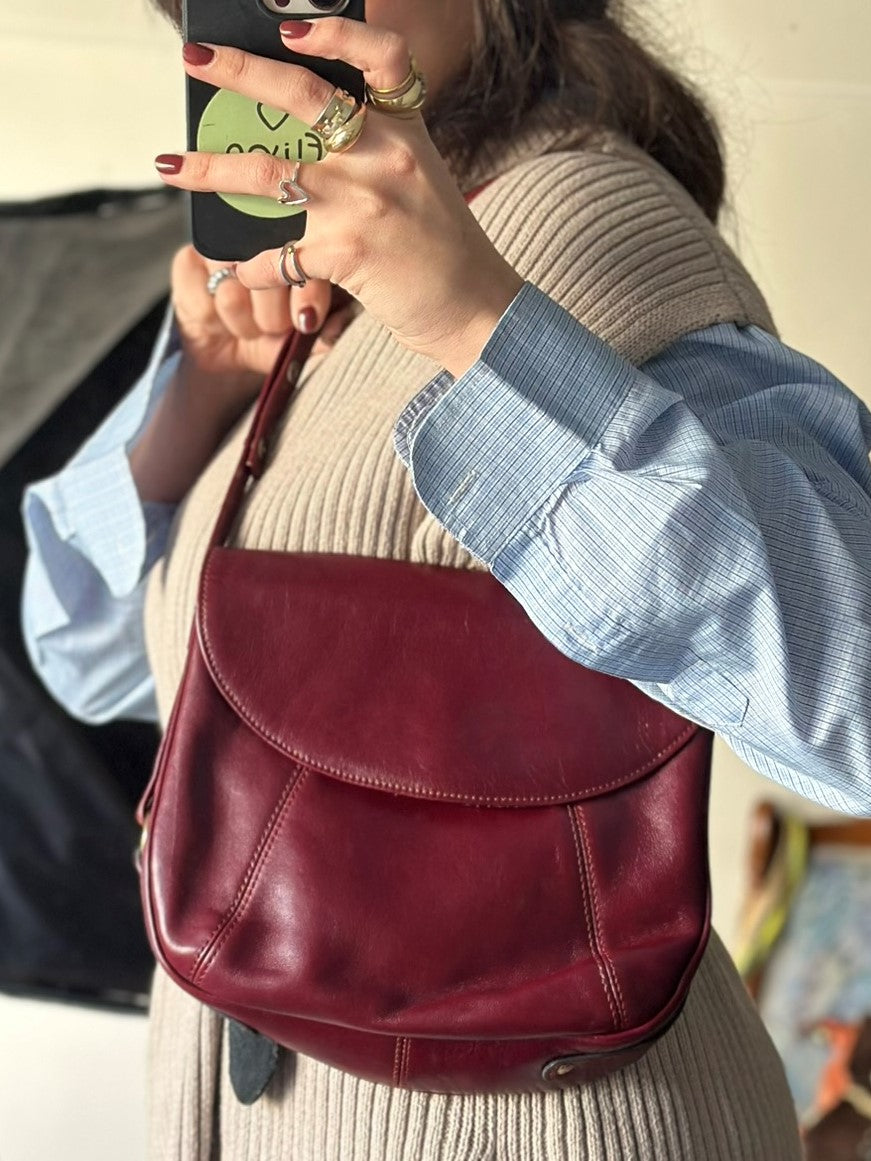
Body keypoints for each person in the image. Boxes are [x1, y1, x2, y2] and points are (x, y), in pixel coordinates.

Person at [20, 0, 871, 1156]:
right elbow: (103, 666)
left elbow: (852, 709)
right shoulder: (307, 273)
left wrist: (475, 317)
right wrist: (205, 395)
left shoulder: (586, 219)